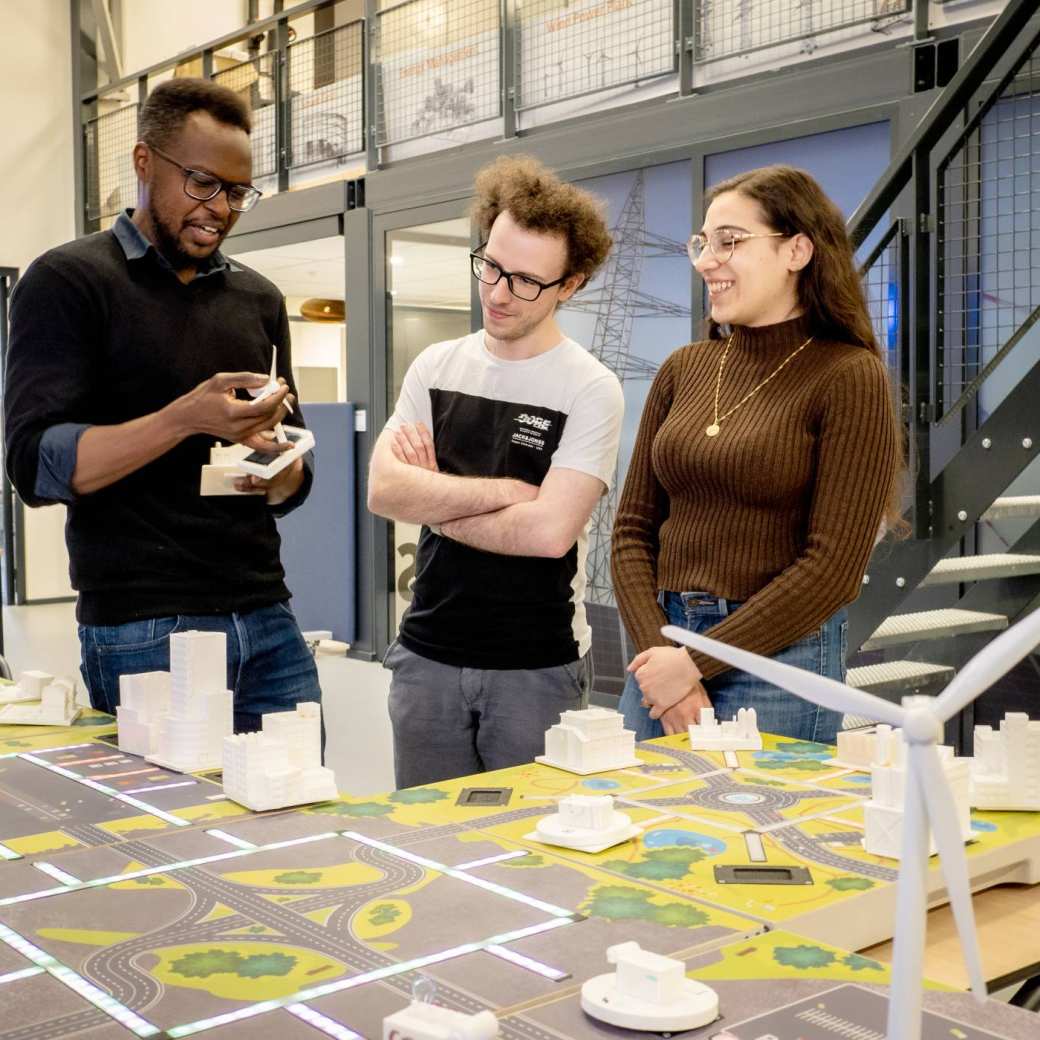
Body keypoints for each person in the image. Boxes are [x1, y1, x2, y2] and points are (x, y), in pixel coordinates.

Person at [4, 78, 320, 732]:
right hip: (143, 627)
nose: (221, 209)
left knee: (300, 822)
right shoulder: (68, 282)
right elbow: (35, 466)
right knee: (172, 833)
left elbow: (292, 478)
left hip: (269, 614)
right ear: (145, 163)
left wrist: (278, 459)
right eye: (203, 183)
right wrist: (186, 419)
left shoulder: (258, 298)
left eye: (237, 192)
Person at [611, 164, 901, 745]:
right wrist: (661, 653)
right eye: (703, 243)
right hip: (663, 644)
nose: (705, 261)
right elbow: (632, 531)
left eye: (730, 242)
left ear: (797, 250)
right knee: (648, 830)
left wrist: (695, 664)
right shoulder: (683, 368)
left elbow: (832, 569)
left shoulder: (848, 375)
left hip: (780, 660)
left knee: (761, 832)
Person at [368, 155, 624, 788]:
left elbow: (546, 535)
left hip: (535, 668)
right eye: (491, 266)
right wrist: (504, 495)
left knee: (532, 854)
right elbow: (383, 490)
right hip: (426, 656)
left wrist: (435, 500)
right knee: (428, 848)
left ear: (571, 284)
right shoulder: (435, 365)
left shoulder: (590, 388)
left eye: (528, 281)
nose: (499, 293)